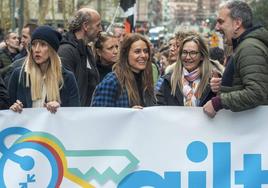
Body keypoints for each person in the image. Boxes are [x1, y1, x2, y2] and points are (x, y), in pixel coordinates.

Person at [203, 0, 268, 118]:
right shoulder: (243, 46)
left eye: (221, 22)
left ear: (237, 23)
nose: (217, 27)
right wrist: (224, 84)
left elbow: (257, 93)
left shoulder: (249, 48)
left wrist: (218, 103)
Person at [9, 25, 80, 113]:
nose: (37, 50)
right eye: (34, 45)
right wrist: (13, 108)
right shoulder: (19, 75)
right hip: (25, 126)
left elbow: (74, 113)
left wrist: (60, 109)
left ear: (52, 50)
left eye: (43, 45)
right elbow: (6, 110)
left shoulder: (67, 77)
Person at [156, 35, 224, 106]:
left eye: (193, 53)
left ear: (202, 56)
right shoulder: (168, 81)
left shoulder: (213, 80)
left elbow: (224, 105)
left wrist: (219, 91)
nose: (188, 57)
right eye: (184, 52)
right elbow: (159, 108)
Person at [91, 33, 156, 108]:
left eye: (146, 51)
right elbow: (99, 115)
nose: (143, 55)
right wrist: (128, 113)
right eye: (137, 51)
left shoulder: (147, 80)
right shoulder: (112, 81)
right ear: (125, 54)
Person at [58, 8, 102, 106]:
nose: (101, 29)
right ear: (85, 26)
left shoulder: (87, 49)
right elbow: (65, 90)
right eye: (98, 25)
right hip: (73, 117)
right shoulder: (66, 51)